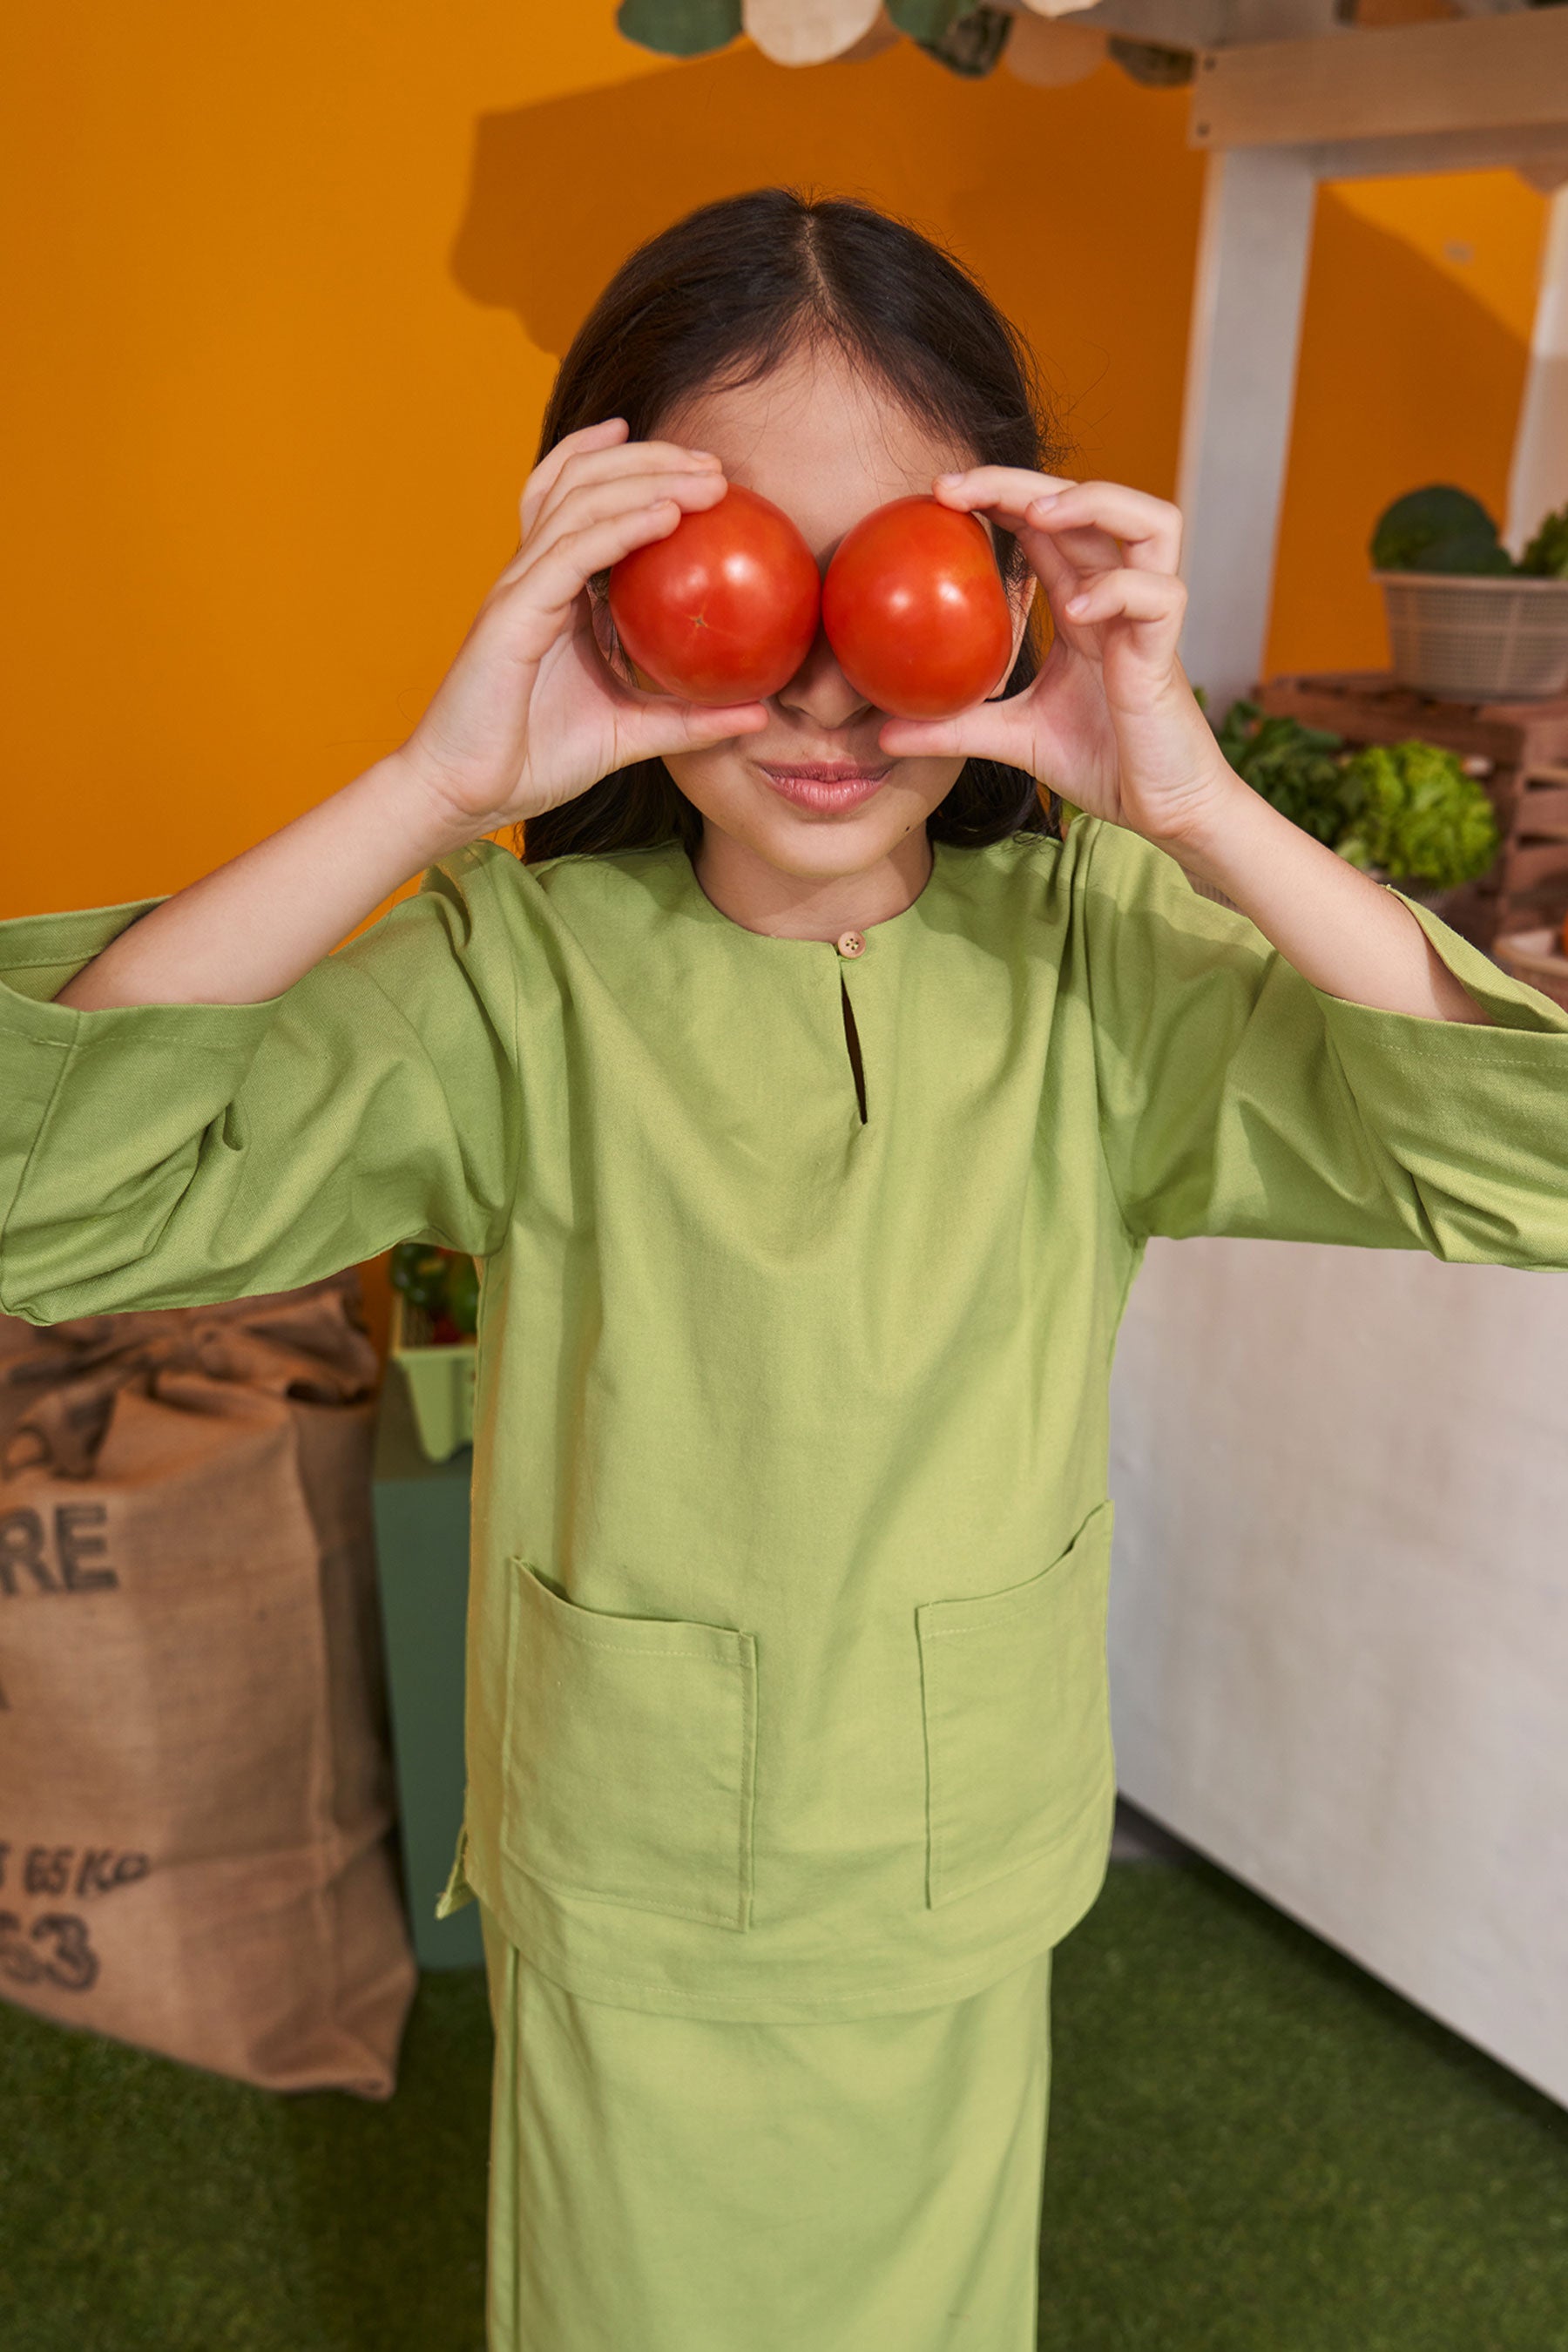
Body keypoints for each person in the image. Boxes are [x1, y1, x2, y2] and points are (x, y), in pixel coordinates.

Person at [3, 186, 1566, 2352]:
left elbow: (1533, 1162)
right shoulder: (518, 983)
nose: (828, 679)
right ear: (613, 591)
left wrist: (1193, 803)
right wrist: (441, 782)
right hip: (633, 1888)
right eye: (731, 578)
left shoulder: (1104, 973)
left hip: (951, 1883)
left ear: (1010, 593)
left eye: (905, 579)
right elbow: (41, 1183)